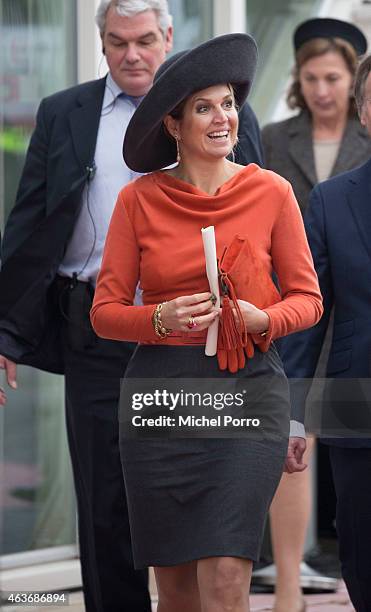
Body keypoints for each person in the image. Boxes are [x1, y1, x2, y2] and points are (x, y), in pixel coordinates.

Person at [0, 2, 264, 610]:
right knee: (106, 503)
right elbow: (30, 223)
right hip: (96, 325)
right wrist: (7, 329)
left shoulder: (218, 110)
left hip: (196, 337)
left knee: (194, 497)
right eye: (117, 42)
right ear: (101, 43)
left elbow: (257, 221)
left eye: (145, 40)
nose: (132, 54)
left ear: (168, 37)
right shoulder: (63, 112)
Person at [90, 33, 323, 611]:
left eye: (227, 104)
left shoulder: (272, 192)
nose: (222, 117)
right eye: (203, 107)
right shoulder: (138, 201)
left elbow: (308, 300)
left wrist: (261, 317)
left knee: (225, 576)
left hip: (247, 391)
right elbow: (105, 314)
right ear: (174, 125)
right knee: (173, 589)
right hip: (162, 398)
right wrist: (159, 319)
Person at [261, 18, 370, 612]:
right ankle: (286, 584)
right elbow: (306, 309)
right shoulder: (311, 177)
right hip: (342, 366)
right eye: (312, 77)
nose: (321, 88)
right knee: (357, 541)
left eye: (334, 77)